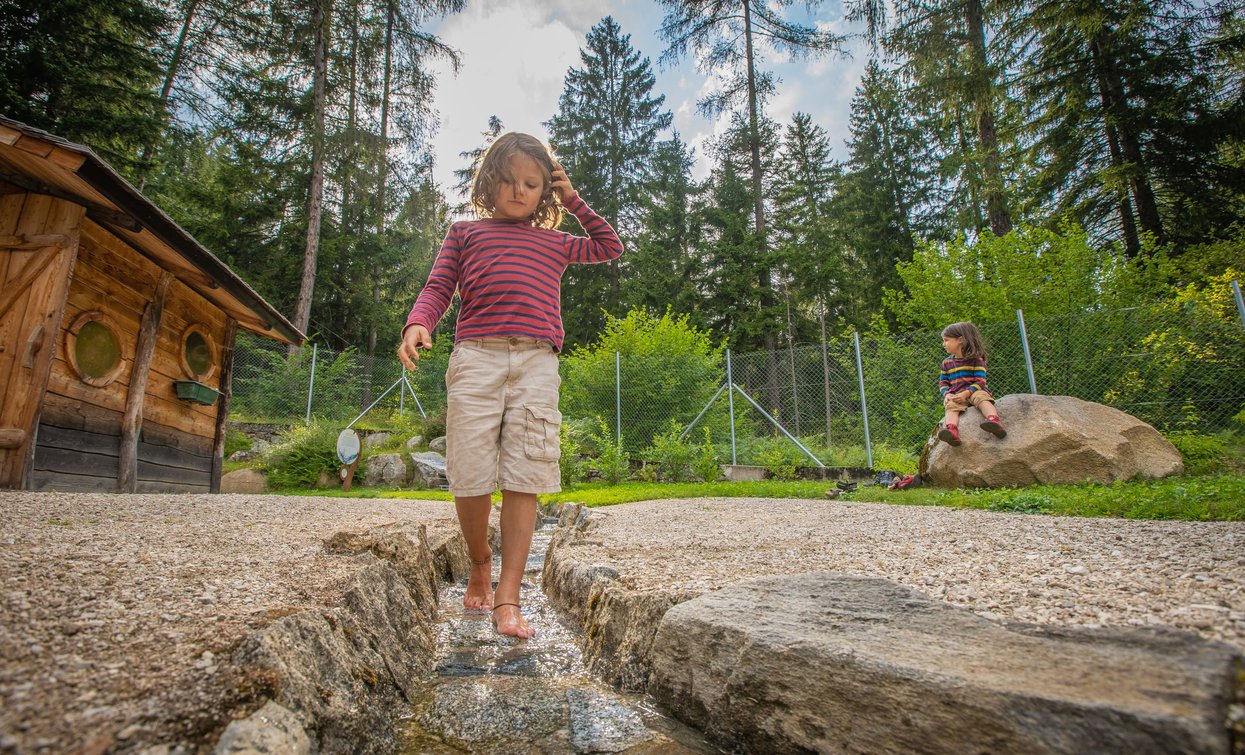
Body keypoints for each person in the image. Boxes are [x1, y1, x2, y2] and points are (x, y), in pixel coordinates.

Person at [396, 133, 622, 638]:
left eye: (532, 183)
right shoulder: (464, 233)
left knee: (527, 471)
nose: (518, 190)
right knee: (470, 473)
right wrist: (419, 322)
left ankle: (508, 596)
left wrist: (572, 198)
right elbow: (438, 288)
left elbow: (609, 245)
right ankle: (479, 562)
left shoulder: (557, 241)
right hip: (476, 357)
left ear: (545, 191)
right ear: (488, 180)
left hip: (538, 363)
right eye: (509, 179)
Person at [937, 321, 1006, 446]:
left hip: (974, 391)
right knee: (951, 405)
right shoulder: (946, 363)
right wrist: (947, 394)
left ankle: (993, 421)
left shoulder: (976, 359)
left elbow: (980, 381)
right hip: (957, 395)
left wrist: (966, 393)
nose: (944, 344)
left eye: (946, 340)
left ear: (960, 340)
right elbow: (943, 382)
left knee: (981, 397)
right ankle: (952, 431)